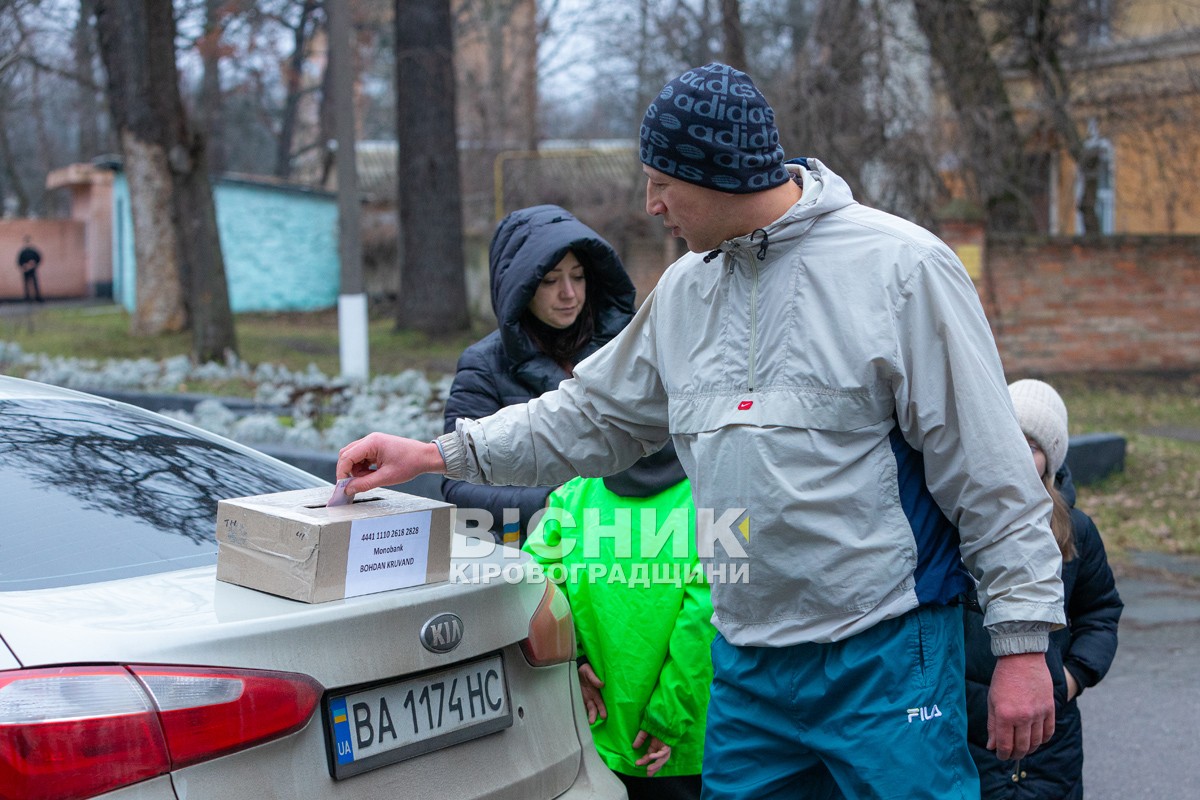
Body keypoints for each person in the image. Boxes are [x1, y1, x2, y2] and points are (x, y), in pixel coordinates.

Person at [338, 62, 1066, 799]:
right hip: (748, 667)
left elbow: (991, 471)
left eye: (662, 183)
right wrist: (436, 452)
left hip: (883, 653)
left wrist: (1023, 647)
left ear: (720, 175)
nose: (651, 206)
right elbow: (588, 415)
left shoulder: (902, 269)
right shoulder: (686, 290)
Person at [524, 442, 714, 800]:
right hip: (682, 740)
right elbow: (704, 623)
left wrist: (574, 663)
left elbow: (534, 592)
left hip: (597, 724)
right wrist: (668, 717)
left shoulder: (573, 495)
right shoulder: (712, 496)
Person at [440, 204, 636, 546]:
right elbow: (457, 485)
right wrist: (547, 504)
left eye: (578, 276)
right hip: (532, 552)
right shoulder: (484, 365)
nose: (569, 294)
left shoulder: (620, 350)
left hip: (625, 543)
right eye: (550, 280)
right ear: (520, 287)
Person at [965, 379, 1123, 799]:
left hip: (1051, 737)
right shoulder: (956, 524)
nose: (1019, 452)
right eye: (1010, 437)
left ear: (1050, 461)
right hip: (968, 734)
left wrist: (1068, 680)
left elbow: (1100, 614)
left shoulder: (1077, 531)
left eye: (1032, 445)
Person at [16, 236, 43, 303]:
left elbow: (38, 259)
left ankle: (37, 297)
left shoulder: (33, 251)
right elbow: (19, 261)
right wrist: (24, 265)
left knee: (35, 284)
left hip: (32, 270)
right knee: (26, 285)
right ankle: (27, 298)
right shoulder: (23, 252)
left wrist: (34, 263)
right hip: (26, 270)